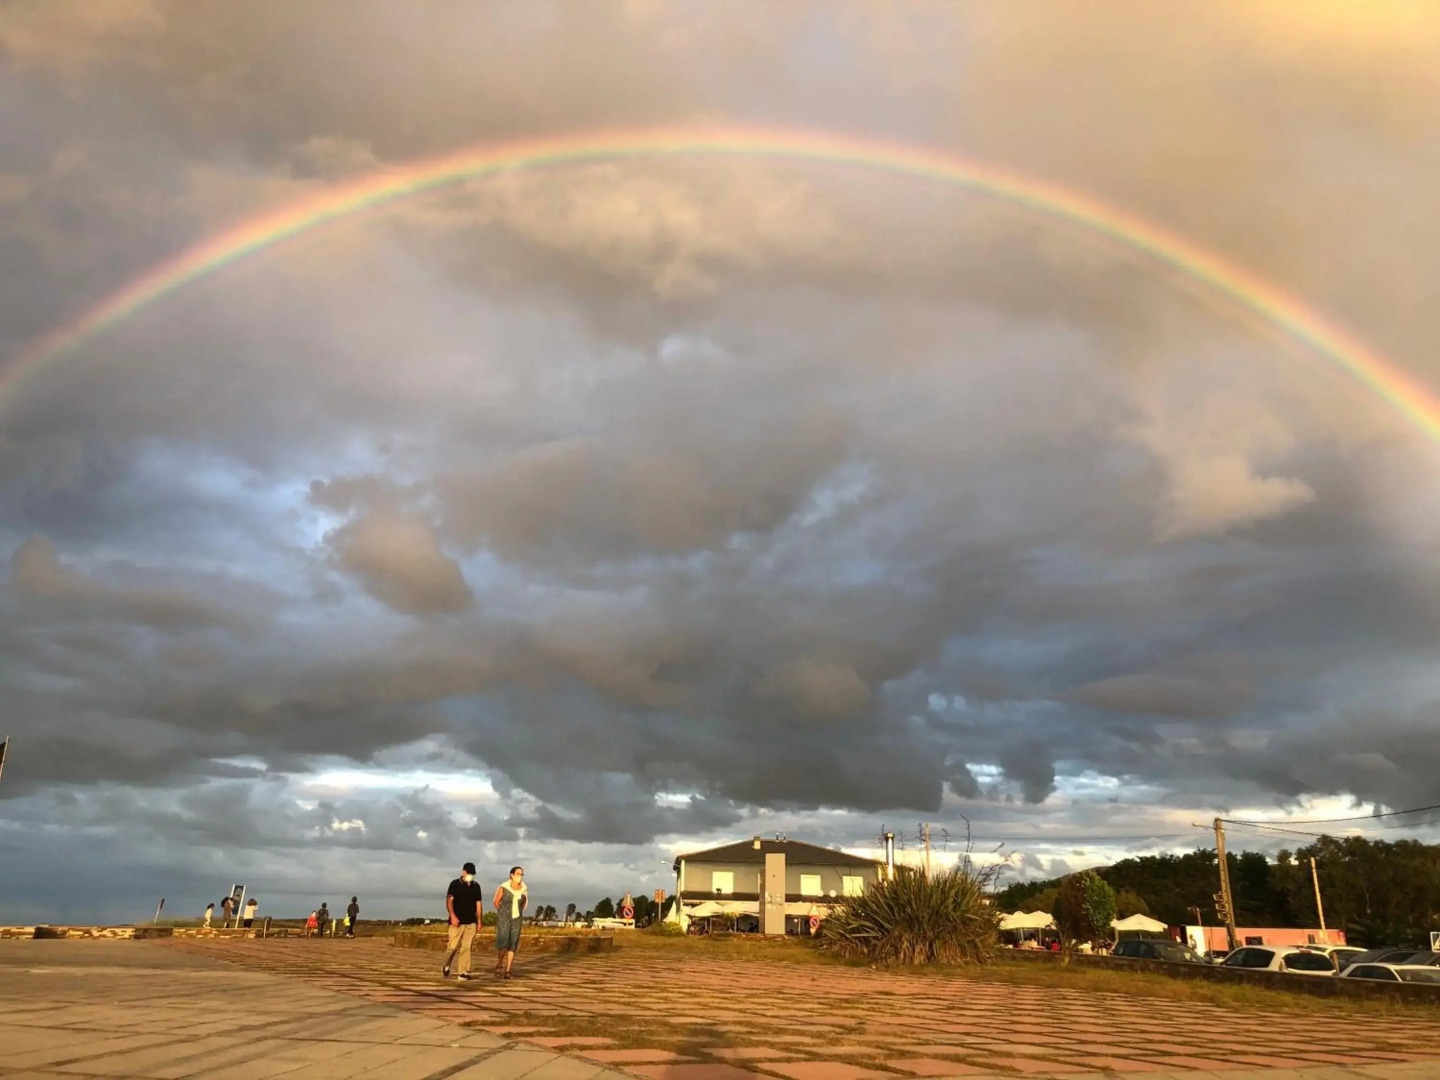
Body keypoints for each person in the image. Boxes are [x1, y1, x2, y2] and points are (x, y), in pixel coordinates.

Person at [443, 862, 483, 980]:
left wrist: (479, 921)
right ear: (463, 872)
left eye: (472, 874)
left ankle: (463, 972)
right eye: (469, 873)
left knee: (466, 947)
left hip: (471, 922)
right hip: (457, 922)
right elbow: (449, 901)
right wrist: (452, 915)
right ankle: (446, 964)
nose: (470, 875)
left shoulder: (476, 886)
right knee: (453, 946)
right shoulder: (455, 884)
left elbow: (479, 904)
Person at [493, 866, 527, 979]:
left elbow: (523, 903)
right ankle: (500, 963)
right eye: (518, 874)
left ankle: (508, 970)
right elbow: (496, 902)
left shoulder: (524, 889)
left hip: (516, 919)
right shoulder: (504, 887)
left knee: (513, 944)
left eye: (521, 874)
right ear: (512, 875)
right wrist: (502, 913)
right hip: (504, 918)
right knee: (503, 943)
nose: (520, 876)